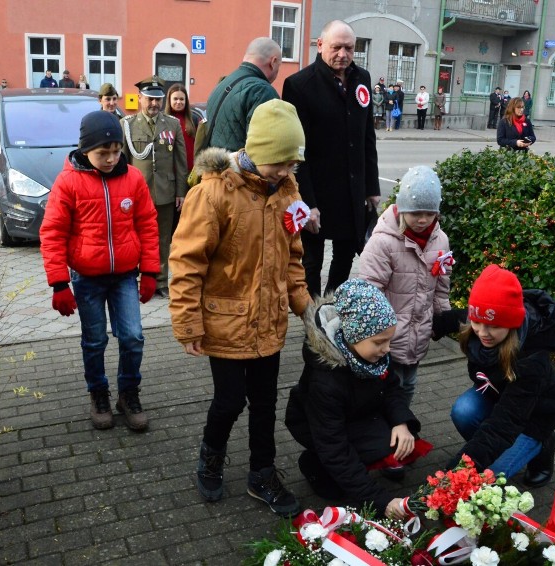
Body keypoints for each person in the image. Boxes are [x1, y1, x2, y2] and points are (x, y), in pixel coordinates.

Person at [169, 99, 311, 517]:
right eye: (279, 163)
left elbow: (294, 258)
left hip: (269, 322)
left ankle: (261, 473)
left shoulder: (289, 193)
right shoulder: (213, 193)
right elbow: (186, 262)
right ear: (259, 151)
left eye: (291, 163)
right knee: (230, 400)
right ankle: (211, 456)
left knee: (266, 401)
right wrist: (188, 324)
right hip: (226, 324)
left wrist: (305, 307)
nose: (285, 172)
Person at [39, 110, 160, 431]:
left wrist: (150, 271)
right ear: (84, 150)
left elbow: (148, 224)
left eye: (116, 151)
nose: (110, 158)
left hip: (124, 276)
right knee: (94, 341)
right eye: (102, 153)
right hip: (87, 278)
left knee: (133, 337)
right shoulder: (68, 182)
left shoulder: (132, 178)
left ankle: (128, 392)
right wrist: (59, 283)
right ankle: (99, 393)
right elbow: (52, 233)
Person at [285, 279, 432, 520]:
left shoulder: (370, 354)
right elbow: (334, 446)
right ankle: (313, 463)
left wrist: (401, 422)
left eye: (389, 340)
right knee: (334, 488)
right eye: (379, 342)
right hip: (317, 427)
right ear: (353, 334)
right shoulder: (325, 382)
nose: (387, 349)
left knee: (398, 440)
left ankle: (366, 458)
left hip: (356, 412)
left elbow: (392, 388)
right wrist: (381, 501)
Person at [283, 19, 381, 298]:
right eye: (337, 47)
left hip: (352, 191)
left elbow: (367, 136)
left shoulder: (362, 78)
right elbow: (298, 153)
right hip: (318, 191)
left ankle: (333, 306)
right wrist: (308, 203)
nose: (343, 54)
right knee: (312, 261)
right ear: (320, 45)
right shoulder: (299, 85)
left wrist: (372, 187)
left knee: (346, 256)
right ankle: (312, 319)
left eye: (349, 48)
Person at [449, 265, 555, 487]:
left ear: (511, 322)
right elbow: (449, 318)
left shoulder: (531, 359)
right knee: (464, 411)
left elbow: (503, 424)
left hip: (533, 415)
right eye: (476, 322)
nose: (483, 333)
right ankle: (493, 449)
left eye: (493, 326)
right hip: (499, 398)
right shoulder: (482, 322)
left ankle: (542, 445)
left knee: (488, 478)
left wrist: (457, 472)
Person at [358, 166, 452, 405]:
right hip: (388, 338)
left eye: (429, 213)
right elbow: (370, 292)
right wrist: (376, 335)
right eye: (416, 213)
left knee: (408, 385)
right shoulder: (383, 243)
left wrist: (441, 319)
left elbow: (441, 284)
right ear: (401, 209)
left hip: (419, 332)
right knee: (388, 389)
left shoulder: (440, 240)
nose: (422, 220)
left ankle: (404, 425)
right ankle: (388, 429)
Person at [121, 75, 188, 298]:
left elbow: (181, 161)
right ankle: (136, 280)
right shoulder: (127, 125)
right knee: (134, 238)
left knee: (162, 240)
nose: (154, 104)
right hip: (137, 195)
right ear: (140, 98)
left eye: (158, 99)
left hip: (165, 193)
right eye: (149, 99)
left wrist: (181, 192)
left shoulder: (173, 124)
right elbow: (123, 163)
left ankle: (160, 282)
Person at [200, 37, 281, 156]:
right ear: (273, 62)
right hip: (240, 172)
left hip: (215, 169)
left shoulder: (223, 83)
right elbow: (264, 151)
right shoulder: (262, 91)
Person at [165, 83, 198, 172]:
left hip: (190, 170)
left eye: (182, 99)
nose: (178, 102)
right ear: (169, 100)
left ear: (186, 101)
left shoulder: (194, 119)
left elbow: (198, 145)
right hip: (170, 170)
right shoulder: (162, 119)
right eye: (175, 99)